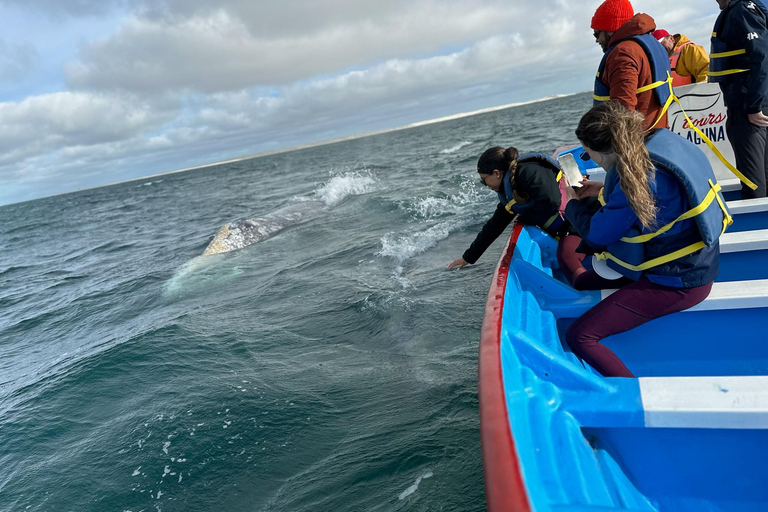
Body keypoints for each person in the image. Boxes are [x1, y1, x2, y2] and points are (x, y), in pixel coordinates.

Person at [560, 101, 728, 377]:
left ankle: (632, 399)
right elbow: (664, 193)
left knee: (580, 336)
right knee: (583, 282)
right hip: (693, 263)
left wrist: (572, 206)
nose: (590, 160)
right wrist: (602, 188)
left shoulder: (632, 178)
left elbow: (597, 235)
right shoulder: (662, 143)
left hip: (679, 282)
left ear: (604, 151)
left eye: (589, 156)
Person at [447, 147, 570, 269]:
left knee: (568, 261)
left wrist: (525, 218)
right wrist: (468, 257)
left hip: (577, 221)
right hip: (565, 229)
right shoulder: (509, 190)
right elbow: (494, 226)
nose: (485, 185)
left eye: (484, 180)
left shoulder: (529, 172)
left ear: (496, 173)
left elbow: (551, 201)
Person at [710, 0, 768, 198]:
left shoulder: (741, 11)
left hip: (747, 109)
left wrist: (753, 106)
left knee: (753, 184)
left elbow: (760, 54)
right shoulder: (753, 8)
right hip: (758, 104)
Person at [590, 0, 671, 130]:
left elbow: (623, 112)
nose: (596, 40)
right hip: (660, 135)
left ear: (610, 30)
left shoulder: (622, 54)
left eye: (597, 33)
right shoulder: (654, 44)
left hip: (638, 143)